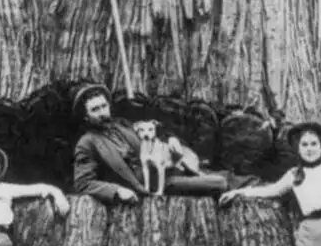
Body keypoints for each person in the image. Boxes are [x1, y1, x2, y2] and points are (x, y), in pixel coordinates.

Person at [71, 84, 238, 204]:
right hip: (151, 185)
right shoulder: (87, 143)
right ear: (86, 116)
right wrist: (116, 191)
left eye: (103, 106)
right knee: (219, 183)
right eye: (95, 110)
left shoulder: (122, 125)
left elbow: (154, 132)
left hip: (166, 169)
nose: (102, 112)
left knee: (224, 175)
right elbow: (83, 183)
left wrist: (171, 138)